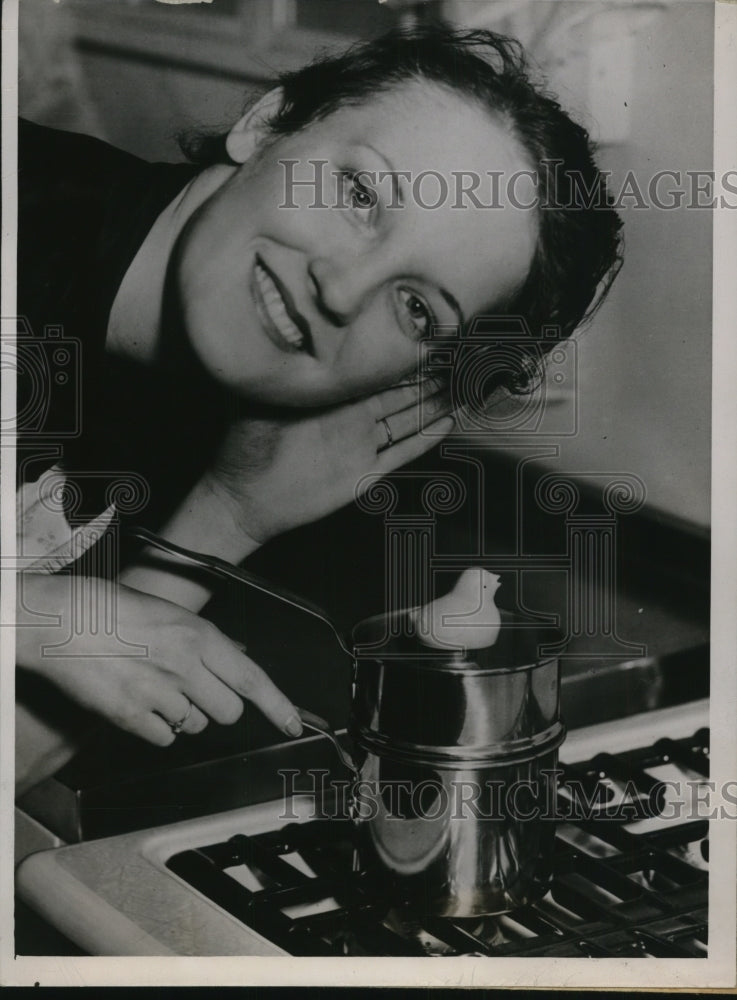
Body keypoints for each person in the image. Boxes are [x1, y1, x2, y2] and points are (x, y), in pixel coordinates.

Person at [14, 25, 622, 793]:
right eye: (360, 194)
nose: (340, 288)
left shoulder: (235, 427)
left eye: (415, 307)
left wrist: (226, 518)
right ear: (264, 122)